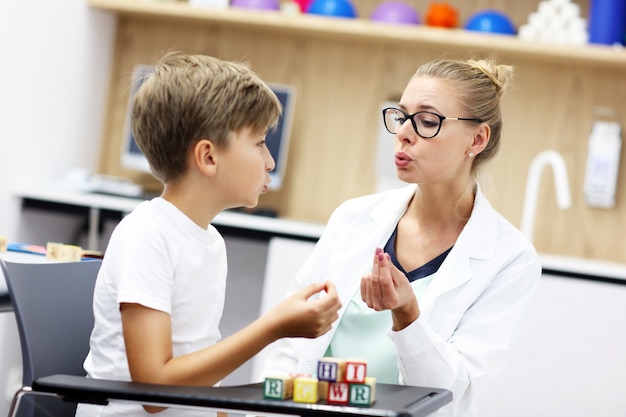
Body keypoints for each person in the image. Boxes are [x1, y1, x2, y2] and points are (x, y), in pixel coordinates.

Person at [261, 58, 541, 417]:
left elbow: (451, 390)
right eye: (401, 116)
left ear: (477, 138)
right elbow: (292, 339)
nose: (403, 133)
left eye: (426, 121)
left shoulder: (510, 259)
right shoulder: (354, 218)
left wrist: (407, 314)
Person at [76, 52, 341, 417]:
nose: (270, 161)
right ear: (208, 157)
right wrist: (273, 327)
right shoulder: (146, 235)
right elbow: (154, 392)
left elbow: (197, 370)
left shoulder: (209, 241)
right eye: (260, 142)